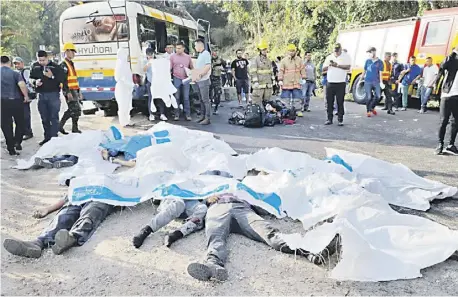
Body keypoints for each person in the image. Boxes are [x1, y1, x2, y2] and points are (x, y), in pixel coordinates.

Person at [186, 193, 340, 282]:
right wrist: (177, 233)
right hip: (216, 210)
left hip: (242, 209)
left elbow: (270, 206)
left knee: (270, 235)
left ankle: (314, 252)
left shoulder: (244, 194)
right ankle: (213, 265)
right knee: (215, 237)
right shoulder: (206, 195)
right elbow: (192, 208)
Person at [3, 191, 117, 258]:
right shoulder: (89, 164)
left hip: (104, 195)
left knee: (92, 211)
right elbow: (70, 193)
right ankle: (37, 243)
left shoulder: (118, 161)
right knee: (65, 213)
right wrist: (48, 208)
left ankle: (72, 237)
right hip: (82, 194)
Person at [132, 198, 208, 248]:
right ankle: (147, 230)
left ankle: (176, 234)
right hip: (173, 199)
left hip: (192, 201)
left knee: (202, 208)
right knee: (179, 204)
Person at [30, 50, 64, 146]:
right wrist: (34, 82)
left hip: (53, 94)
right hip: (41, 95)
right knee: (44, 118)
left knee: (53, 117)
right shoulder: (35, 66)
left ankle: (54, 139)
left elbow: (62, 79)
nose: (41, 62)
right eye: (39, 60)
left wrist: (52, 76)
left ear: (47, 58)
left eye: (43, 60)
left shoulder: (55, 67)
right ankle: (47, 137)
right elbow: (30, 78)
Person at [1, 56, 30, 155]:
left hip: (2, 103)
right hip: (16, 101)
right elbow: (22, 85)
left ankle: (10, 148)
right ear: (9, 63)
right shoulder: (15, 73)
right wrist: (26, 96)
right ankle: (17, 141)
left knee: (6, 125)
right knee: (20, 122)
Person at [433, 47, 458, 155]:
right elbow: (443, 65)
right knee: (443, 121)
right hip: (447, 94)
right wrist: (454, 52)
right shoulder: (452, 60)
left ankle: (451, 145)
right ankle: (440, 144)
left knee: (456, 122)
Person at [323, 43, 351, 126]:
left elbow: (348, 67)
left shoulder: (346, 56)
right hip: (330, 82)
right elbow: (323, 68)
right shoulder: (329, 57)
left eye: (338, 50)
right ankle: (329, 119)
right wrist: (329, 65)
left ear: (341, 49)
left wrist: (337, 65)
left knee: (340, 102)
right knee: (329, 102)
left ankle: (340, 119)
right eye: (335, 50)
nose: (336, 52)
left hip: (340, 82)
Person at [59, 43, 83, 134]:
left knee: (75, 110)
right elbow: (63, 80)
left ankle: (74, 128)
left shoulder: (71, 63)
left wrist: (79, 90)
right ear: (67, 51)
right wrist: (67, 92)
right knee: (73, 109)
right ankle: (60, 126)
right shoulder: (63, 65)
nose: (74, 54)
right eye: (72, 51)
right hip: (69, 90)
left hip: (74, 89)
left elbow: (74, 79)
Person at [278, 44, 306, 117]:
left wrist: (304, 78)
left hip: (296, 82)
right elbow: (281, 71)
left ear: (295, 51)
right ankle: (285, 111)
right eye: (290, 51)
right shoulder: (284, 61)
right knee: (285, 98)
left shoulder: (299, 60)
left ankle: (297, 111)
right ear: (287, 51)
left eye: (293, 51)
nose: (291, 52)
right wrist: (280, 79)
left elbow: (302, 70)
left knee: (297, 97)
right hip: (286, 83)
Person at [13, 57, 35, 140]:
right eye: (15, 64)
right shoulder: (16, 72)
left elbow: (28, 83)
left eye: (18, 63)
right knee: (19, 115)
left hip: (25, 95)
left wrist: (27, 95)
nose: (16, 65)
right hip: (19, 96)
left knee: (25, 115)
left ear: (22, 63)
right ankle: (22, 132)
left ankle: (28, 132)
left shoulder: (25, 72)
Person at [170, 42, 193, 121]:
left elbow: (192, 68)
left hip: (186, 79)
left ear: (183, 48)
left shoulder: (188, 57)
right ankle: (177, 114)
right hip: (176, 78)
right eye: (176, 48)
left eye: (179, 48)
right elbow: (170, 68)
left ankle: (187, 114)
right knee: (177, 96)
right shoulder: (172, 57)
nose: (178, 50)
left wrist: (191, 75)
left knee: (186, 97)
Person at [249, 40, 274, 111]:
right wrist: (255, 82)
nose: (265, 51)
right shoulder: (255, 60)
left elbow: (271, 72)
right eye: (263, 49)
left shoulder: (268, 60)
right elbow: (253, 72)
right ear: (259, 50)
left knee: (267, 103)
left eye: (265, 49)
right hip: (258, 86)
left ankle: (266, 117)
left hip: (268, 85)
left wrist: (274, 82)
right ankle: (256, 117)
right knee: (257, 102)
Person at [144, 48, 167, 121]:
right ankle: (151, 114)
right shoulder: (145, 61)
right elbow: (143, 70)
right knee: (151, 98)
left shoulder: (158, 60)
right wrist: (148, 64)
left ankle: (162, 114)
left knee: (160, 98)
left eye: (151, 54)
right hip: (150, 82)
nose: (150, 56)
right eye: (148, 55)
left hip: (158, 82)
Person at [192, 39, 212, 125]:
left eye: (195, 46)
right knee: (201, 100)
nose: (195, 47)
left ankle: (207, 118)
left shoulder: (206, 54)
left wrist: (201, 74)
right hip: (199, 80)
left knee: (205, 100)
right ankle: (202, 116)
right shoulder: (200, 55)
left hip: (204, 80)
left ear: (200, 45)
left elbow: (208, 66)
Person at [361, 47, 384, 117]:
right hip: (367, 81)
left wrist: (381, 82)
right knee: (368, 97)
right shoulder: (367, 61)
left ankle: (371, 107)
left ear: (374, 52)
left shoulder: (380, 62)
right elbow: (364, 71)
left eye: (370, 52)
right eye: (368, 53)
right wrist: (360, 79)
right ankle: (368, 111)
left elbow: (380, 73)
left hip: (376, 81)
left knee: (378, 96)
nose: (369, 54)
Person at [210, 50, 225, 114]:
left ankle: (216, 107)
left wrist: (222, 68)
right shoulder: (209, 59)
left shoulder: (220, 60)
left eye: (216, 54)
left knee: (218, 93)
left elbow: (225, 67)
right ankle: (211, 102)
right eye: (213, 54)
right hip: (209, 78)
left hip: (217, 78)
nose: (214, 55)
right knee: (207, 93)